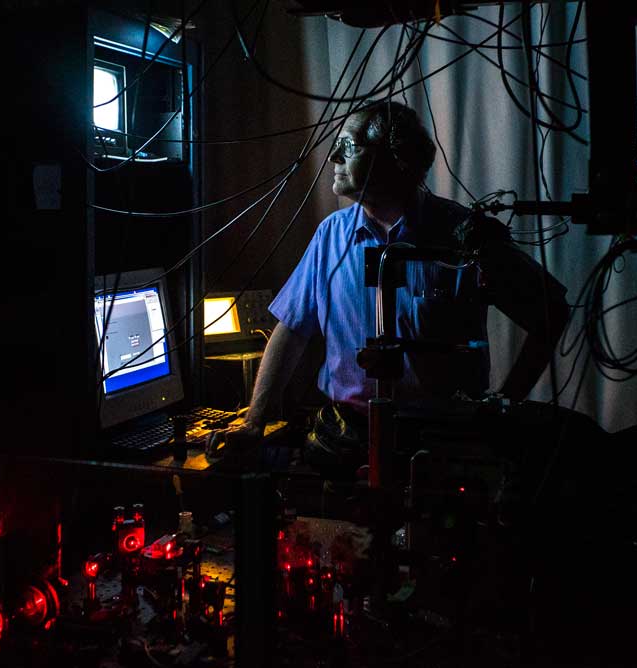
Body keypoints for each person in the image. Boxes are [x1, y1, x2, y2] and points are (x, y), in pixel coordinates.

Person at [212, 100, 570, 461]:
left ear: (395, 159)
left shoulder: (461, 234)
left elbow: (551, 310)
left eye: (349, 146)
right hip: (347, 435)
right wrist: (254, 421)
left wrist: (503, 407)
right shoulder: (331, 236)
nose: (334, 156)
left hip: (440, 440)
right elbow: (291, 330)